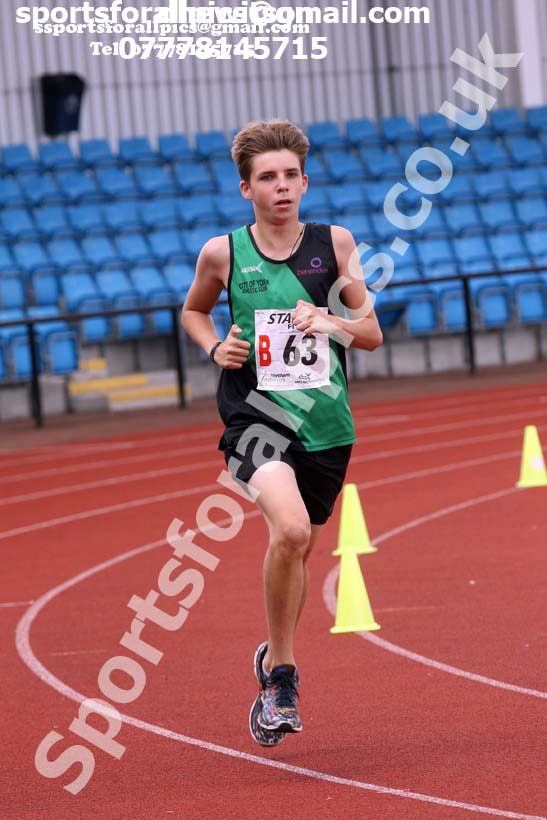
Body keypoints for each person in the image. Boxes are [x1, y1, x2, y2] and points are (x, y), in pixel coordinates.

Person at [182, 119, 382, 747]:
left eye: (290, 175)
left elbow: (371, 333)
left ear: (305, 180)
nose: (281, 187)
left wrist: (327, 320)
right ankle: (283, 678)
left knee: (297, 550)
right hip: (256, 419)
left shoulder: (336, 244)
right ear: (246, 189)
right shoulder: (224, 253)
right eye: (267, 178)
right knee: (290, 530)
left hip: (326, 424)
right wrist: (216, 347)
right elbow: (192, 310)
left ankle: (272, 658)